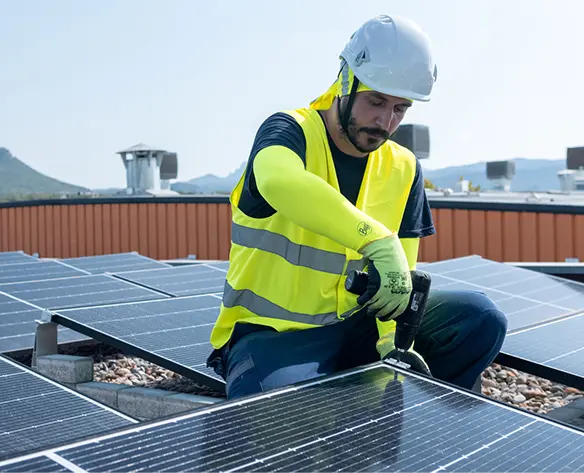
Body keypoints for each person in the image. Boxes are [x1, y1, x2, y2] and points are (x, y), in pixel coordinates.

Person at [206, 14, 508, 400]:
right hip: (274, 337)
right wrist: (376, 240)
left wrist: (392, 341)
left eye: (401, 108)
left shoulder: (403, 167)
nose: (385, 121)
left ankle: (412, 423)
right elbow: (278, 181)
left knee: (480, 318)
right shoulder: (289, 131)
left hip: (357, 328)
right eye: (376, 101)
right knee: (276, 413)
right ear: (344, 81)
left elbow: (402, 278)